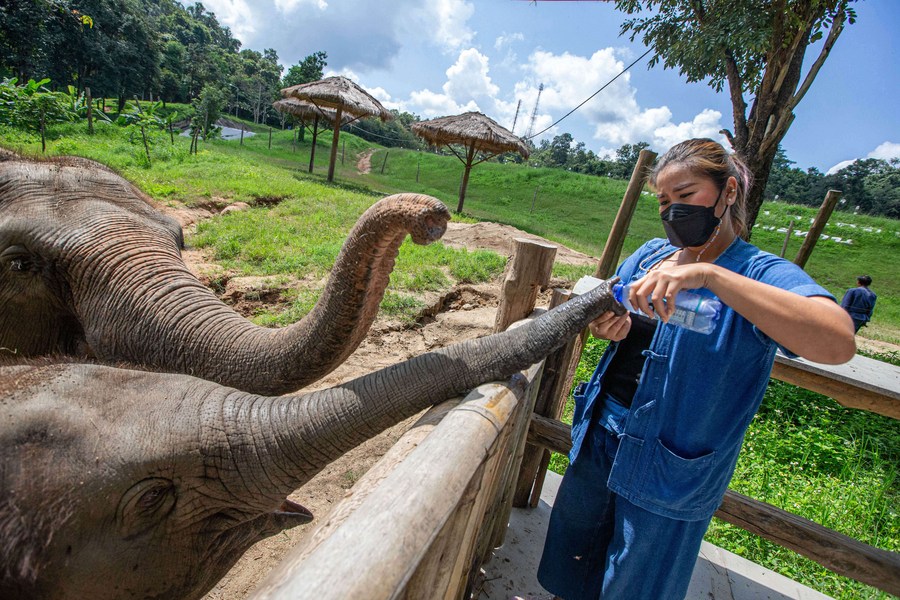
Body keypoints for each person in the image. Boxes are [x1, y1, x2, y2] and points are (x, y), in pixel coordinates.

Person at [536, 138, 856, 600]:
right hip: (606, 430)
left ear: (727, 192)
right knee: (576, 553)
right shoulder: (649, 255)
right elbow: (626, 318)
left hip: (673, 458)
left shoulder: (758, 272)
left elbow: (836, 340)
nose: (672, 212)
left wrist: (711, 276)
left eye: (686, 196)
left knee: (635, 576)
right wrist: (615, 328)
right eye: (664, 201)